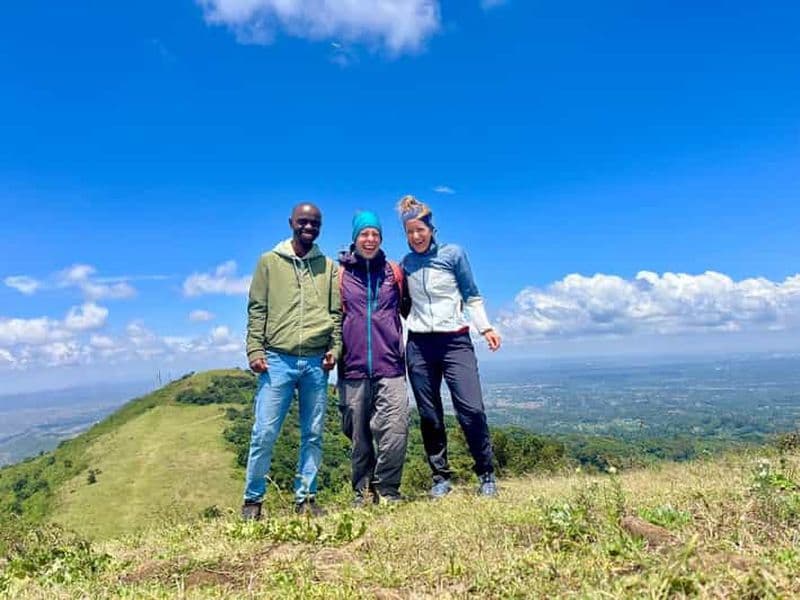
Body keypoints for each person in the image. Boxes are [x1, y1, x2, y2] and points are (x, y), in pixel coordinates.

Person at [241, 202, 342, 520]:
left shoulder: (328, 267)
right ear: (291, 223)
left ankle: (306, 499)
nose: (308, 227)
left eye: (315, 223)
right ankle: (253, 501)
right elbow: (257, 308)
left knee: (313, 434)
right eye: (303, 221)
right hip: (277, 359)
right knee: (264, 433)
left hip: (316, 361)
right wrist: (254, 350)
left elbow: (336, 313)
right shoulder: (269, 262)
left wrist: (335, 348)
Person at [398, 195, 502, 498]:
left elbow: (471, 294)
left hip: (455, 341)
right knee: (429, 414)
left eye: (420, 230)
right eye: (410, 232)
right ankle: (440, 477)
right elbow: (403, 303)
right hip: (419, 344)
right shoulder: (405, 264)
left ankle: (486, 473)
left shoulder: (453, 254)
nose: (416, 236)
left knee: (471, 409)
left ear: (431, 229)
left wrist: (486, 327)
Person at [337, 210, 409, 506]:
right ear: (354, 238)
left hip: (390, 366)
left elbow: (408, 309)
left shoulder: (394, 272)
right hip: (352, 368)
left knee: (395, 430)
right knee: (358, 437)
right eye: (364, 234)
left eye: (375, 234)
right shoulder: (339, 275)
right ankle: (364, 493)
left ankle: (388, 490)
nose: (370, 239)